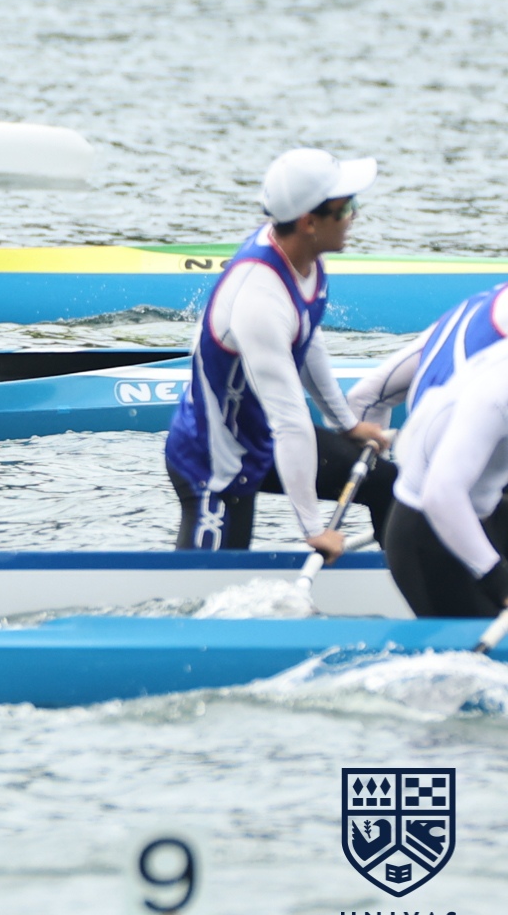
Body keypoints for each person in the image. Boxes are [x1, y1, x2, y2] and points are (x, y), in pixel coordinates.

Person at [161, 149, 394, 555]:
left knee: (387, 483)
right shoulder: (260, 298)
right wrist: (314, 530)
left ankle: (404, 578)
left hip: (260, 437)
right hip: (215, 462)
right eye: (345, 208)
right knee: (213, 590)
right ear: (309, 222)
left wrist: (346, 425)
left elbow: (307, 339)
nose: (354, 215)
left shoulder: (305, 256)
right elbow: (290, 420)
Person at [341, 282, 508, 616]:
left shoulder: (474, 307)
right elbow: (441, 495)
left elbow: (365, 396)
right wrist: (497, 581)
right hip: (429, 535)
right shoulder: (498, 390)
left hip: (482, 511)